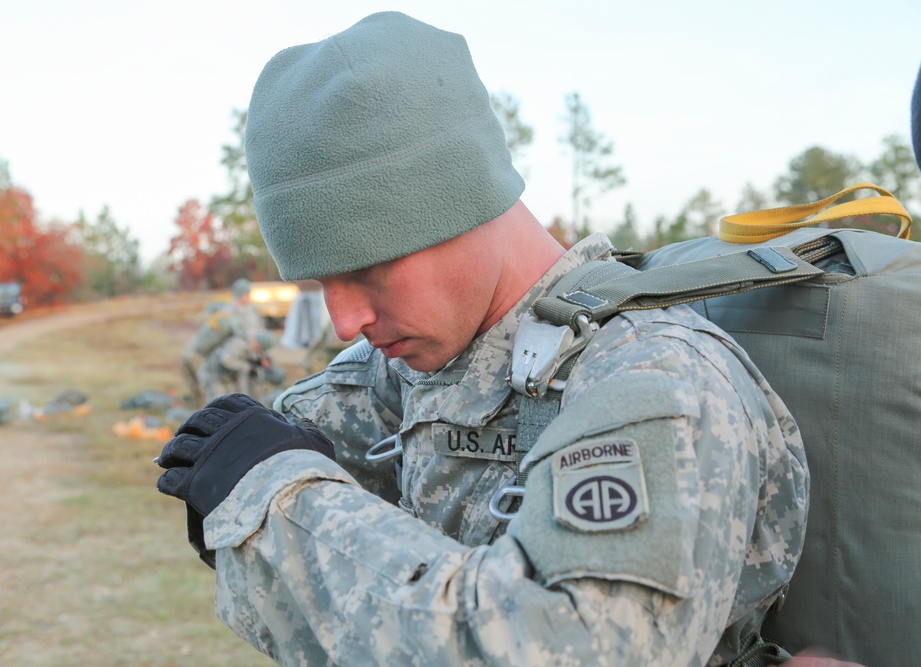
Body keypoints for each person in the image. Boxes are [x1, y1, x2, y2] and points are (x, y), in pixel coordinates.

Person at [156, 12, 814, 665]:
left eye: (365, 268)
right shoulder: (416, 363)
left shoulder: (655, 375)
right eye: (318, 282)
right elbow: (280, 445)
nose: (344, 321)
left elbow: (565, 647)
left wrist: (278, 503)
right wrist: (239, 474)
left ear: (462, 199)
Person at [196, 278, 274, 402]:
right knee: (226, 397)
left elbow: (259, 334)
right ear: (240, 294)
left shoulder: (252, 311)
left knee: (249, 393)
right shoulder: (227, 312)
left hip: (246, 357)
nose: (248, 297)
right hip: (228, 359)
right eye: (246, 294)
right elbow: (227, 343)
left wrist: (262, 356)